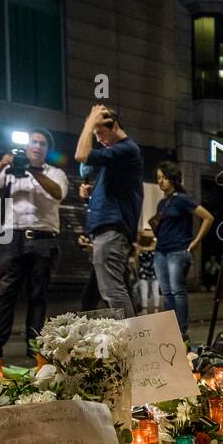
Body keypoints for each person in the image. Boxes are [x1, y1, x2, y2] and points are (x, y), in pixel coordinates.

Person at [0, 129, 68, 358]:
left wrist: (33, 172)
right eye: (33, 142)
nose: (37, 146)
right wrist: (2, 162)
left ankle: (35, 345)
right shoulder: (9, 171)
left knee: (38, 295)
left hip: (43, 240)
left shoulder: (55, 173)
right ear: (26, 148)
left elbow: (57, 193)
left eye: (42, 143)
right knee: (5, 292)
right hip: (12, 239)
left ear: (47, 150)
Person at [75, 105, 143, 319]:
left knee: (113, 291)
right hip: (107, 230)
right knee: (109, 291)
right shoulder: (116, 156)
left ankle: (132, 346)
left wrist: (89, 122)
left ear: (113, 126)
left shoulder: (127, 149)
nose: (99, 140)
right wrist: (91, 194)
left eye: (100, 133)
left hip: (113, 230)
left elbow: (81, 154)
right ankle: (128, 344)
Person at [149, 161, 212, 338]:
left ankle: (181, 330)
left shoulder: (182, 199)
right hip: (161, 251)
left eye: (164, 178)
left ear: (173, 179)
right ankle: (170, 329)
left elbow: (208, 217)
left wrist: (195, 242)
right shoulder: (162, 203)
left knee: (177, 291)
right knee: (167, 292)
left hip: (177, 251)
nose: (161, 181)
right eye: (159, 178)